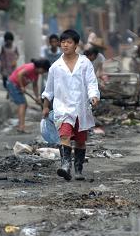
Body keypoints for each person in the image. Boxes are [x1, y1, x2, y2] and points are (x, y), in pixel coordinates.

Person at [42, 29, 100, 181]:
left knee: (80, 141)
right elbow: (49, 90)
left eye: (69, 42)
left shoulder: (85, 63)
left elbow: (91, 82)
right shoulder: (55, 67)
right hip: (63, 108)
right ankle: (65, 166)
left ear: (76, 45)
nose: (65, 45)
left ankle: (78, 169)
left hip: (81, 108)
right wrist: (46, 106)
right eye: (63, 42)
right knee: (65, 136)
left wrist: (94, 96)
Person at [7, 59, 50, 133]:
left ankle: (21, 126)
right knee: (22, 104)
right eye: (44, 71)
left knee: (23, 105)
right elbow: (20, 74)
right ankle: (21, 127)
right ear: (41, 67)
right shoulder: (31, 68)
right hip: (13, 84)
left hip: (17, 85)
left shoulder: (36, 74)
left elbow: (35, 86)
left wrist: (37, 97)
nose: (43, 73)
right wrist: (22, 86)